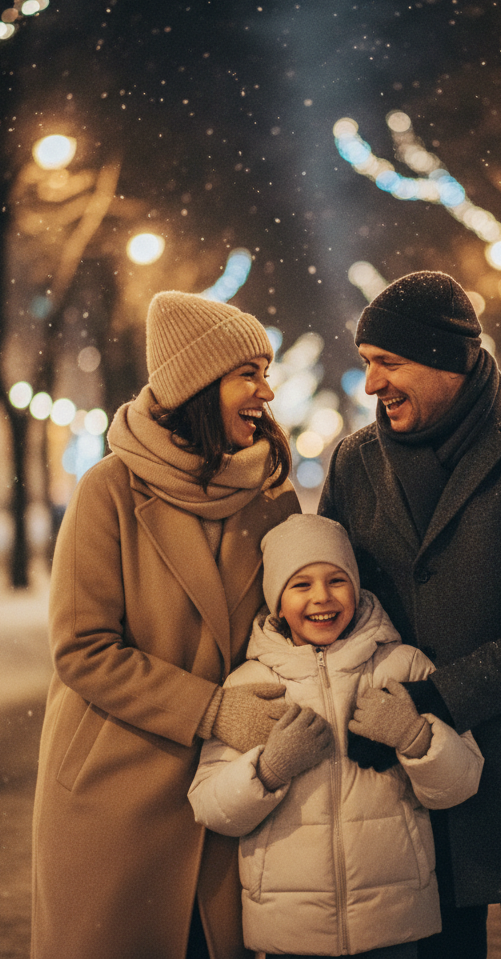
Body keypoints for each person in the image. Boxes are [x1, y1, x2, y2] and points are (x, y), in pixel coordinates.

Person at [318, 271, 501, 959]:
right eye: (367, 365)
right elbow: (341, 605)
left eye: (388, 363)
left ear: (447, 359)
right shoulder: (354, 461)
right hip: (415, 788)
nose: (371, 386)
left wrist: (440, 697)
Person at [31, 291, 301, 959]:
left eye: (266, 372)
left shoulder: (270, 495)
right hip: (117, 786)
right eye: (249, 373)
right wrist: (209, 710)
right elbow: (83, 649)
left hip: (229, 793)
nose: (267, 390)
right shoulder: (110, 490)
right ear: (200, 384)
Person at [187, 513, 484, 959]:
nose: (321, 597)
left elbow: (462, 782)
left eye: (337, 580)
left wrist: (415, 736)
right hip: (291, 930)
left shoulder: (403, 666)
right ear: (277, 601)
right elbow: (209, 805)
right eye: (300, 585)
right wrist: (268, 770)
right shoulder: (250, 684)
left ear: (358, 587)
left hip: (394, 922)